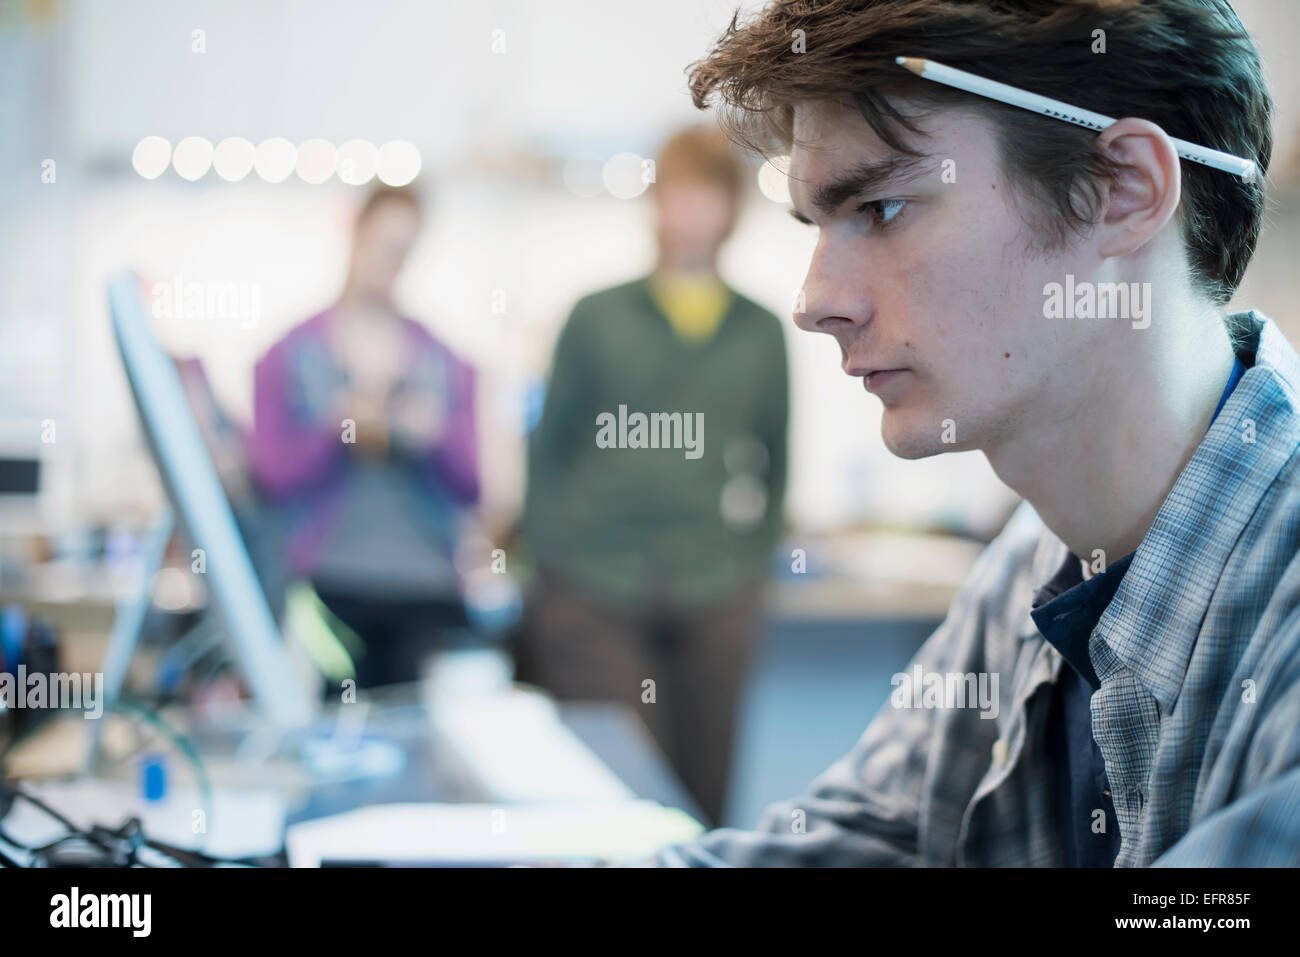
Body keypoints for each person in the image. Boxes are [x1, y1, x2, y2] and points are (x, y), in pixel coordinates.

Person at [652, 0, 1300, 866]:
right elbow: (859, 843)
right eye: (817, 226)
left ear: (1124, 190)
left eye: (880, 209)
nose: (814, 302)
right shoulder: (1037, 563)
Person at [519, 126, 790, 827]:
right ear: (656, 204)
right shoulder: (596, 316)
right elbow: (548, 450)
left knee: (705, 799)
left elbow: (776, 460)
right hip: (595, 588)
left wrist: (749, 563)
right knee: (619, 796)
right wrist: (555, 563)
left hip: (714, 588)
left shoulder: (760, 331)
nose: (691, 212)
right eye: (678, 194)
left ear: (731, 210)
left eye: (707, 196)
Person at [250, 185, 479, 690]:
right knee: (333, 739)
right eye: (382, 244)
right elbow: (270, 474)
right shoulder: (291, 352)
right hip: (329, 584)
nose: (390, 261)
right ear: (355, 234)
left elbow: (474, 484)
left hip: (425, 587)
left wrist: (431, 435)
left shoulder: (443, 359)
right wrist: (337, 430)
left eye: (404, 249)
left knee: (424, 744)